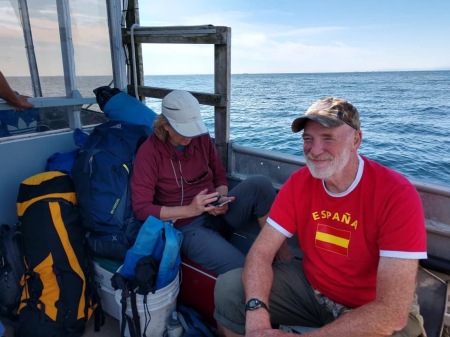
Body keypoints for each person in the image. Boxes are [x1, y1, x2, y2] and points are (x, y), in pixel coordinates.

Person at [214, 97, 427, 337]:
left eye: (328, 138)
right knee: (229, 289)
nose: (315, 151)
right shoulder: (299, 183)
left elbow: (391, 310)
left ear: (356, 140)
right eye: (308, 139)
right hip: (312, 290)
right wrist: (257, 318)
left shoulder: (396, 194)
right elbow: (261, 253)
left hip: (369, 305)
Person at [131, 90, 289, 275]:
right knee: (243, 270)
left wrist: (220, 198)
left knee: (260, 184)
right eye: (184, 132)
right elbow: (141, 209)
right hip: (187, 227)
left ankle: (285, 259)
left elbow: (219, 175)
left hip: (217, 213)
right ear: (165, 125)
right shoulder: (149, 153)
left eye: (193, 129)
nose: (189, 137)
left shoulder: (201, 137)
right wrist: (190, 210)